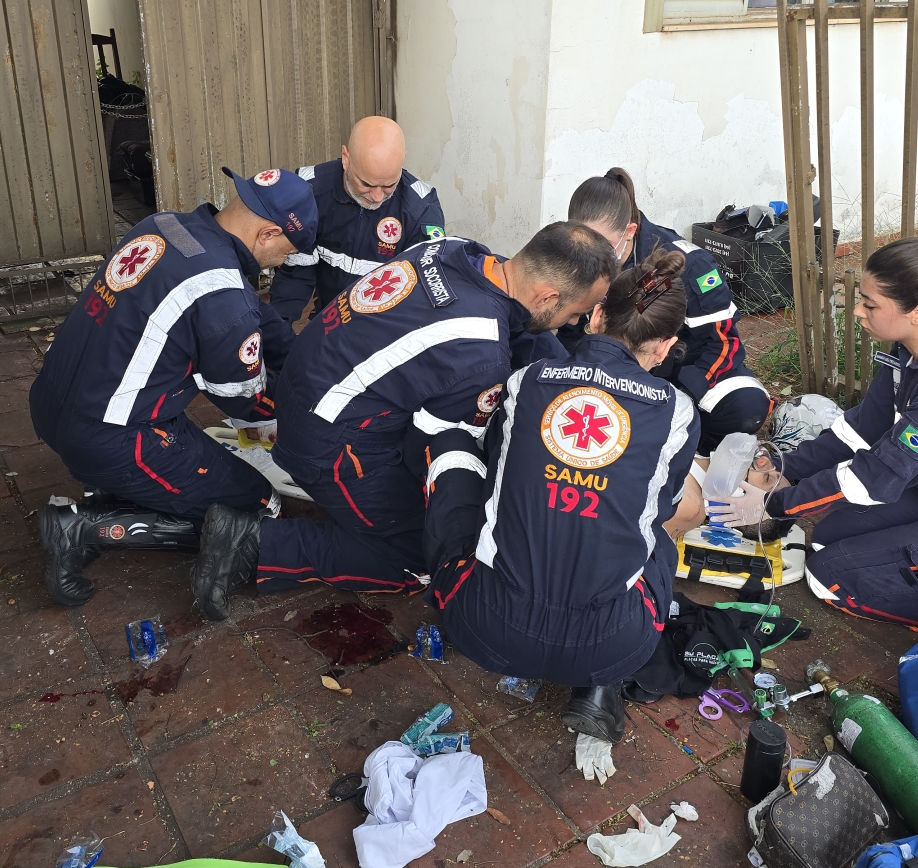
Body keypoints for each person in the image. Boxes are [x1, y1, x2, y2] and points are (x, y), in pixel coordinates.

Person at [189, 223, 617, 620]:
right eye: (575, 313)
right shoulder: (480, 355)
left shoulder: (455, 250)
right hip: (326, 444)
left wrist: (579, 378)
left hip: (306, 392)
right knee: (424, 557)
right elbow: (434, 457)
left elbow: (521, 328)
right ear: (546, 297)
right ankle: (256, 543)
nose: (573, 323)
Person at [418, 248, 702, 743]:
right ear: (665, 347)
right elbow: (659, 508)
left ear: (596, 316)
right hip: (612, 645)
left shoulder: (527, 380)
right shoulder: (677, 411)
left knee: (453, 447)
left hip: (483, 625)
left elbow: (501, 476)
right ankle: (601, 687)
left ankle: (437, 574)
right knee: (662, 529)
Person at [30, 167, 317, 606]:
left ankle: (117, 493)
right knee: (258, 508)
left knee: (194, 473)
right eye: (287, 253)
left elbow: (255, 313)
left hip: (51, 402)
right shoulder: (223, 298)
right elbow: (246, 399)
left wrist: (303, 359)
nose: (282, 263)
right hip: (114, 437)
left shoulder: (164, 224)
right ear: (268, 234)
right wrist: (314, 410)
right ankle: (83, 528)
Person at [711, 236, 918, 630]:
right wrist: (786, 465)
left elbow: (871, 480)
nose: (857, 311)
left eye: (870, 304)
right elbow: (860, 430)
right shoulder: (916, 350)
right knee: (825, 539)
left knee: (829, 579)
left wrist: (774, 504)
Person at [563, 168, 771, 456]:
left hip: (678, 371)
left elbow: (723, 344)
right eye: (581, 243)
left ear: (629, 232)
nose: (589, 256)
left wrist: (676, 397)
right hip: (607, 363)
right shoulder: (572, 254)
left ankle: (690, 454)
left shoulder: (691, 265)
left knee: (746, 405)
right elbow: (569, 331)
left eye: (602, 245)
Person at [268, 116, 446, 323]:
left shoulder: (421, 210)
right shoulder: (310, 192)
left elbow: (423, 295)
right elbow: (296, 274)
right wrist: (277, 332)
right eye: (366, 184)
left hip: (386, 324)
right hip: (328, 317)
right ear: (346, 158)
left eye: (389, 185)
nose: (377, 197)